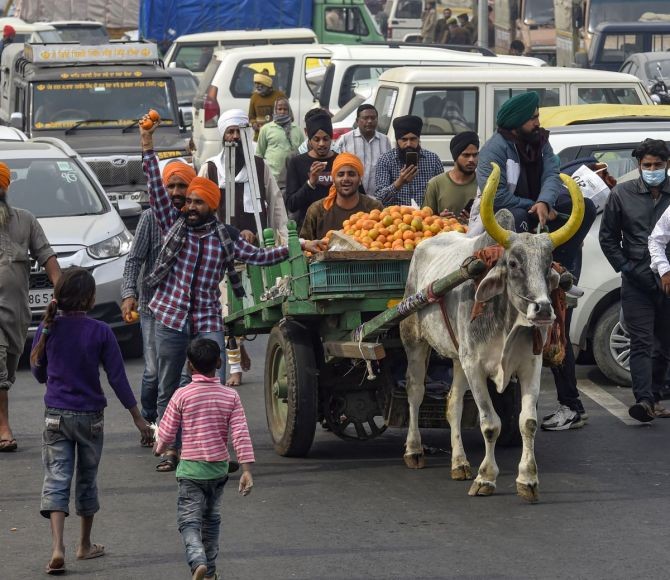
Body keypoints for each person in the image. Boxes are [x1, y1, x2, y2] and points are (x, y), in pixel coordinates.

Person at [140, 118, 322, 471]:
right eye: (188, 201)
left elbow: (260, 255)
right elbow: (155, 187)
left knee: (217, 383)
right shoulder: (172, 224)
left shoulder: (225, 237)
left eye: (197, 202)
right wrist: (147, 144)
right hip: (170, 316)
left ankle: (215, 449)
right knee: (167, 385)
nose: (189, 206)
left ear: (211, 205)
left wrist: (298, 247)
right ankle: (170, 450)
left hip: (207, 317)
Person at [31, 267, 152, 575]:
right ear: (90, 298)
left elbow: (38, 373)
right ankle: (84, 546)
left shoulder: (48, 328)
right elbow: (117, 379)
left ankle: (57, 547)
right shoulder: (101, 331)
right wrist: (139, 420)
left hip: (55, 416)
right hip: (90, 419)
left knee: (56, 479)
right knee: (86, 480)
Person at [200, 108, 288, 387]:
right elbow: (201, 212)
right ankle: (234, 365)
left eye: (240, 131)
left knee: (265, 309)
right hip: (223, 257)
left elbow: (276, 208)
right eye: (230, 131)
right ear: (223, 135)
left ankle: (243, 348)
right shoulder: (210, 169)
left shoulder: (260, 167)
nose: (235, 137)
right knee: (228, 312)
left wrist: (285, 243)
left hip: (260, 255)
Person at [156, 338, 254, 580]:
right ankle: (209, 572)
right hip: (218, 471)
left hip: (190, 472)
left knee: (189, 522)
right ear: (220, 363)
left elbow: (167, 432)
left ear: (189, 366)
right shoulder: (230, 396)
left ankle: (197, 559)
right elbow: (240, 434)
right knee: (211, 522)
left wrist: (159, 448)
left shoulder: (182, 395)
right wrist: (246, 470)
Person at [473, 91, 596, 276]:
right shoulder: (493, 150)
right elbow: (497, 197)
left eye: (537, 117)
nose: (538, 123)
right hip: (510, 213)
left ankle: (560, 269)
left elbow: (552, 173)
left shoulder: (540, 141)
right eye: (532, 118)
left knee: (586, 207)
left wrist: (545, 202)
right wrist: (534, 205)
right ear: (516, 122)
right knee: (517, 216)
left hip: (542, 209)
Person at [121, 160, 196, 432]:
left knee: (184, 374)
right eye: (171, 186)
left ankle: (175, 426)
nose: (176, 192)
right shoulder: (150, 218)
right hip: (152, 309)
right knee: (154, 372)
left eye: (182, 186)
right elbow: (133, 261)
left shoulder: (198, 219)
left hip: (187, 310)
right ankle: (149, 417)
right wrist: (129, 293)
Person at [541, 157, 613, 431]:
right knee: (555, 341)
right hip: (559, 280)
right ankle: (571, 406)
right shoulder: (566, 199)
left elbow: (586, 210)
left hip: (559, 283)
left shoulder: (565, 201)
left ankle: (571, 407)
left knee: (557, 342)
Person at [602, 139, 670, 422]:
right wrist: (627, 267)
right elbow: (607, 238)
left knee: (664, 345)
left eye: (657, 165)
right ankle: (643, 400)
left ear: (667, 165)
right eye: (647, 166)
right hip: (636, 282)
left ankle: (654, 395)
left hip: (667, 281)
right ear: (638, 166)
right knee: (640, 342)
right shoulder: (621, 194)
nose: (652, 170)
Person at [0, 162, 60, 453]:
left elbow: (47, 256)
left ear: (5, 188)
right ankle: (4, 427)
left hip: (17, 314)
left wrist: (62, 292)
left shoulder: (25, 220)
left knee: (7, 369)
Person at [301, 153, 383, 240]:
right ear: (333, 179)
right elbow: (304, 246)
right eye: (340, 174)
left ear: (360, 179)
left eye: (351, 174)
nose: (346, 178)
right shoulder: (317, 210)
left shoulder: (374, 208)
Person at [374, 114, 444, 208]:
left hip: (426, 218)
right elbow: (379, 199)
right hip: (395, 218)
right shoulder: (386, 160)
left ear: (418, 139)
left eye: (413, 139)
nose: (409, 144)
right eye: (404, 139)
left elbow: (441, 193)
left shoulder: (433, 159)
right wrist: (399, 182)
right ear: (397, 140)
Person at [285, 110, 338, 227]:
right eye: (316, 139)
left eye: (326, 138)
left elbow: (358, 196)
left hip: (339, 227)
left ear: (331, 137)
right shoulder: (297, 162)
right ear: (309, 139)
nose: (321, 144)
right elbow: (291, 204)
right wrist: (310, 183)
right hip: (308, 229)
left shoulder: (341, 161)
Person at [335, 104, 391, 196]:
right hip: (352, 198)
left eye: (373, 118)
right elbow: (337, 169)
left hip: (378, 199)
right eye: (365, 118)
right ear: (357, 121)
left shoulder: (385, 141)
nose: (369, 121)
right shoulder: (344, 140)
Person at [423, 130, 479, 219]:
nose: (472, 159)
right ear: (455, 157)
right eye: (466, 155)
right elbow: (425, 221)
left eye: (475, 155)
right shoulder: (435, 184)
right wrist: (439, 219)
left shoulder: (484, 184)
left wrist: (475, 220)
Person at [256, 97, 303, 190]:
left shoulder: (297, 129)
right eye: (279, 109)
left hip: (292, 177)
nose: (282, 112)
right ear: (275, 110)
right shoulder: (266, 129)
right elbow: (259, 154)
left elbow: (303, 153)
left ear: (289, 111)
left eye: (285, 109)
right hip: (272, 176)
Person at [247, 71, 286, 140]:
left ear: (267, 84)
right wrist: (254, 124)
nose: (257, 86)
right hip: (259, 137)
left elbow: (289, 117)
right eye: (256, 83)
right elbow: (251, 117)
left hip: (277, 137)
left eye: (259, 83)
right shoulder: (254, 97)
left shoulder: (280, 96)